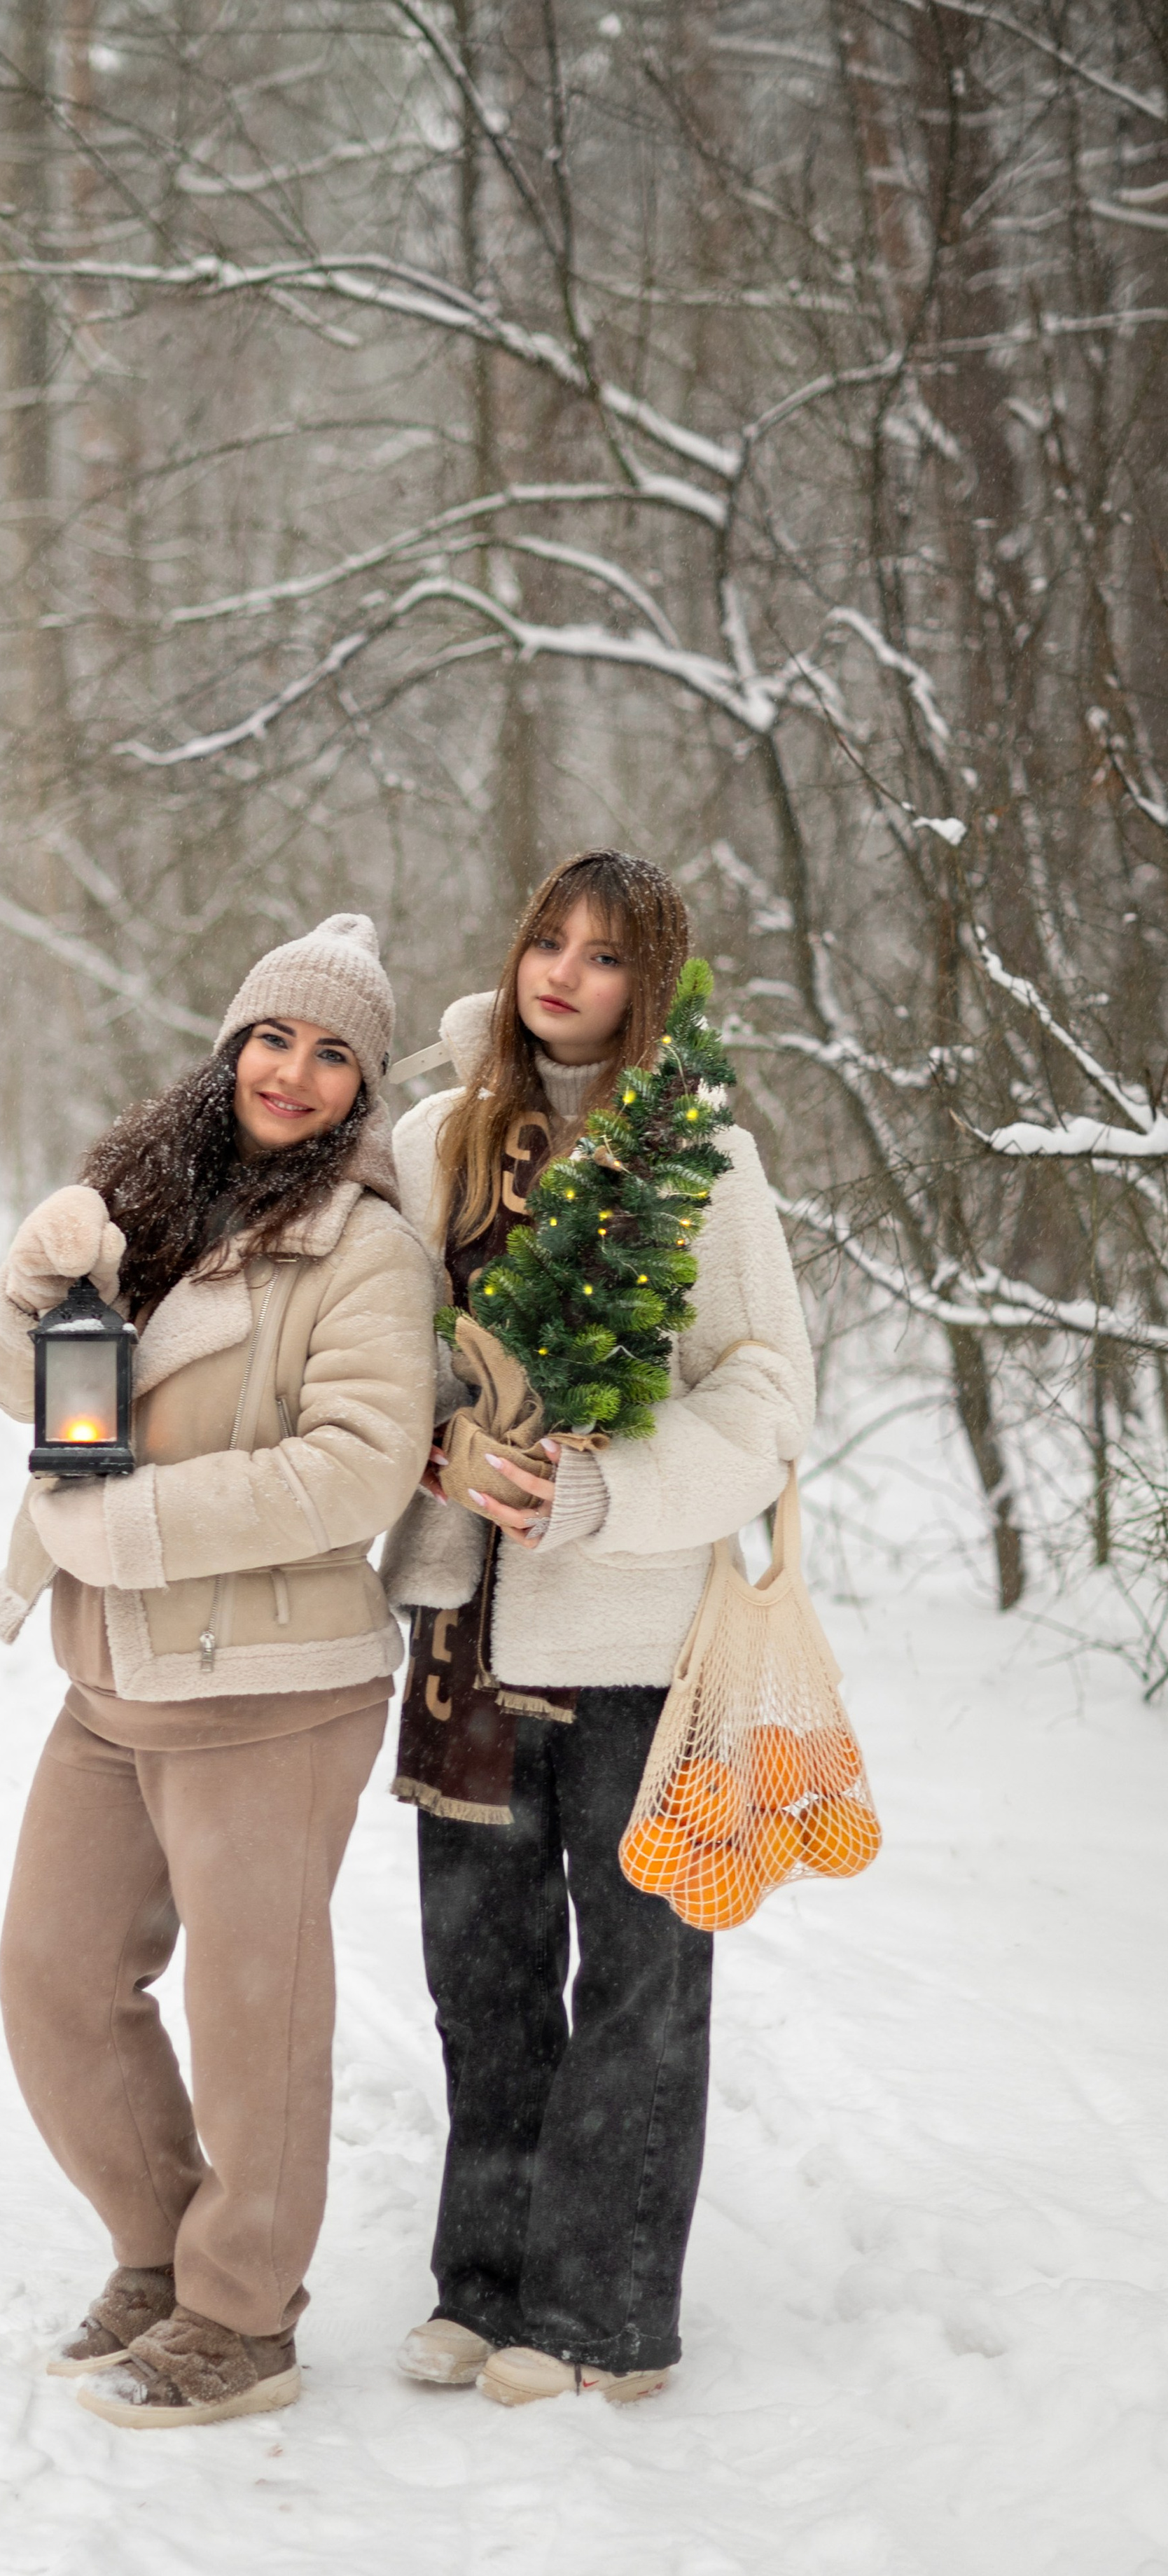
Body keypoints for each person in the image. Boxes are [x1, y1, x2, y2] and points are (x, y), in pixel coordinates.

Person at [0, 916, 435, 2429]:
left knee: (257, 2013)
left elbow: (360, 1467)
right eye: (272, 1037)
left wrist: (140, 1525)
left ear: (360, 1085)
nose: (292, 1072)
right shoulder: (143, 1194)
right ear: (229, 1043)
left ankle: (241, 2317)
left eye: (329, 1053)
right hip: (112, 1671)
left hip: (271, 1686)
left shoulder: (360, 1246)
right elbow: (36, 1393)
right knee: (53, 1977)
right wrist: (25, 1289)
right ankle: (161, 2252)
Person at [380, 851, 814, 2407]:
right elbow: (373, 1358)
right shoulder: (432, 1141)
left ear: (653, 985)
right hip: (464, 1632)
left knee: (637, 1975)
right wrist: (435, 1448)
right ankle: (479, 2283)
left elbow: (765, 1390)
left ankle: (603, 2311)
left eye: (603, 953)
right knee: (480, 1975)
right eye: (544, 940)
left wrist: (601, 1491)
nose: (560, 970)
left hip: (638, 1635)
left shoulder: (699, 1154)